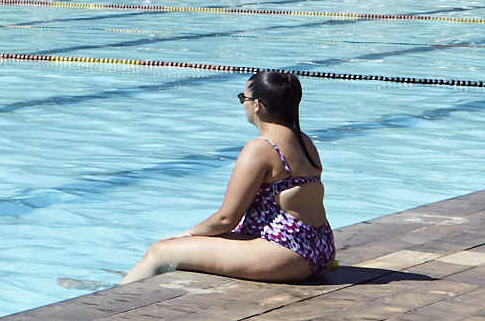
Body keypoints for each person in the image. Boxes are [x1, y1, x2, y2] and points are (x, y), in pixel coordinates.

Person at [125, 71, 336, 283]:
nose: (242, 104)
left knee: (160, 252)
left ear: (257, 105)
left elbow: (226, 219)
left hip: (287, 255)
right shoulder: (304, 141)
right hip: (321, 249)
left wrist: (187, 235)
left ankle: (117, 303)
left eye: (242, 98)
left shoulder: (261, 148)